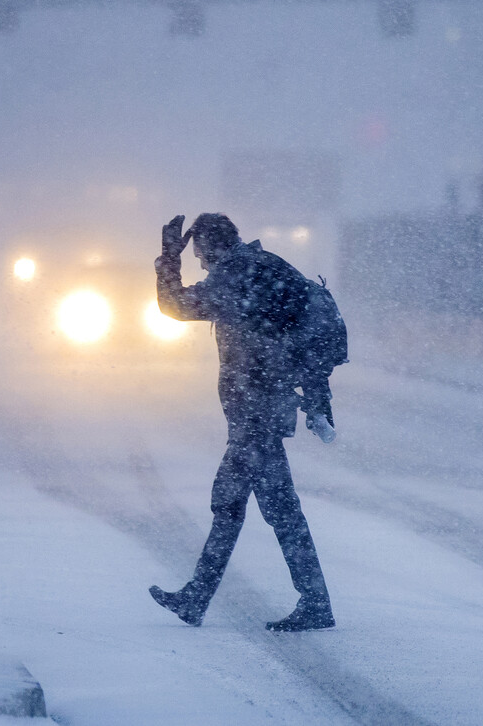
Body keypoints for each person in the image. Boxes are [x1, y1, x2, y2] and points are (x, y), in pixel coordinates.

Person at [148, 213, 335, 632]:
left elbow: (176, 307)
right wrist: (318, 399)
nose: (199, 263)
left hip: (257, 412)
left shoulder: (236, 274)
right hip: (264, 406)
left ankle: (204, 597)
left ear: (212, 246)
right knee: (263, 508)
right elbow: (307, 326)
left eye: (198, 254)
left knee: (238, 504)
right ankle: (308, 599)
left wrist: (167, 260)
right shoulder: (270, 266)